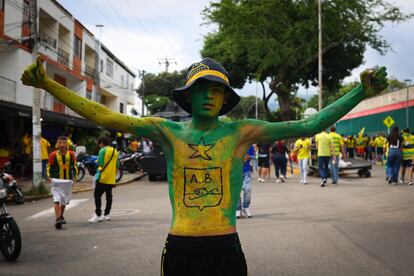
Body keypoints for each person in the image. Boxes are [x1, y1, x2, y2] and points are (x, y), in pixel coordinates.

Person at [22, 56, 387, 275]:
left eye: (217, 90)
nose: (210, 95)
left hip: (225, 248)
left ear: (225, 98)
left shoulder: (240, 132)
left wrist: (359, 93)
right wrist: (48, 85)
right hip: (180, 249)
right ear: (189, 95)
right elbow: (105, 116)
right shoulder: (167, 132)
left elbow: (307, 126)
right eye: (202, 89)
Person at [47, 136, 77, 229]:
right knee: (56, 199)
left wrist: (75, 177)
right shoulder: (53, 155)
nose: (62, 145)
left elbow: (74, 166)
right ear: (57, 144)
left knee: (64, 200)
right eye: (60, 143)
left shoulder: (71, 154)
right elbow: (49, 167)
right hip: (56, 181)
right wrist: (49, 177)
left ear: (67, 144)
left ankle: (61, 215)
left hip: (67, 181)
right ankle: (58, 218)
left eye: (64, 143)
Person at [88, 136, 120, 223]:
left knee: (97, 195)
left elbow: (101, 163)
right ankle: (107, 214)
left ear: (102, 142)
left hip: (103, 177)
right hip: (111, 178)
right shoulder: (115, 151)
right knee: (109, 196)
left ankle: (98, 215)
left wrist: (97, 161)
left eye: (99, 143)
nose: (99, 145)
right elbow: (118, 165)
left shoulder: (102, 151)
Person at [236, 145, 255, 219]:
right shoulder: (234, 143)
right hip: (235, 171)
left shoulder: (249, 145)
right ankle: (237, 209)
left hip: (246, 171)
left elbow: (254, 156)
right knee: (236, 191)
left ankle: (245, 207)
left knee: (247, 189)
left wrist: (248, 157)